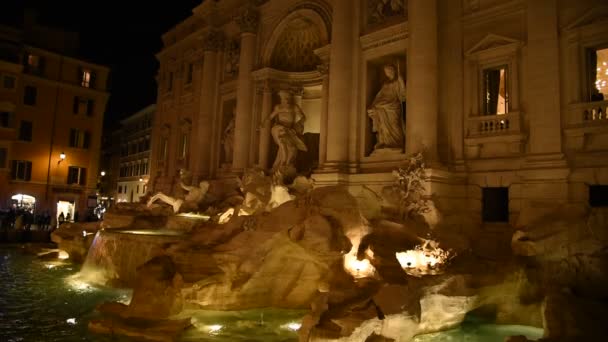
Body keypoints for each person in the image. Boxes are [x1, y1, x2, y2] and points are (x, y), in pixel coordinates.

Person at [260, 90, 307, 171]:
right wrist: (263, 123)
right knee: (282, 141)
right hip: (279, 128)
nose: (287, 100)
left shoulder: (294, 107)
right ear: (282, 99)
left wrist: (299, 123)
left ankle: (284, 164)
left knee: (292, 148)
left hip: (290, 130)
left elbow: (303, 117)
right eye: (285, 98)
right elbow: (270, 117)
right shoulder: (278, 107)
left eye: (288, 98)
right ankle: (283, 162)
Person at [367, 63, 406, 152]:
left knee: (394, 124)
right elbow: (380, 96)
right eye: (386, 72)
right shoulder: (385, 83)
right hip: (383, 105)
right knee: (382, 123)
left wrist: (401, 80)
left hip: (394, 106)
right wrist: (374, 105)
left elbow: (403, 94)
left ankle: (396, 143)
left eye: (389, 71)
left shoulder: (397, 81)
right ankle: (383, 141)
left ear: (393, 71)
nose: (387, 73)